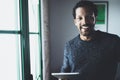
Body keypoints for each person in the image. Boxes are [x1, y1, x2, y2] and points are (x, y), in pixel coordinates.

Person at [60, 0, 120, 80]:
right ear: (75, 22)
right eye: (80, 18)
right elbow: (64, 72)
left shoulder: (113, 41)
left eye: (89, 17)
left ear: (95, 19)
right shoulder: (69, 45)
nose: (85, 22)